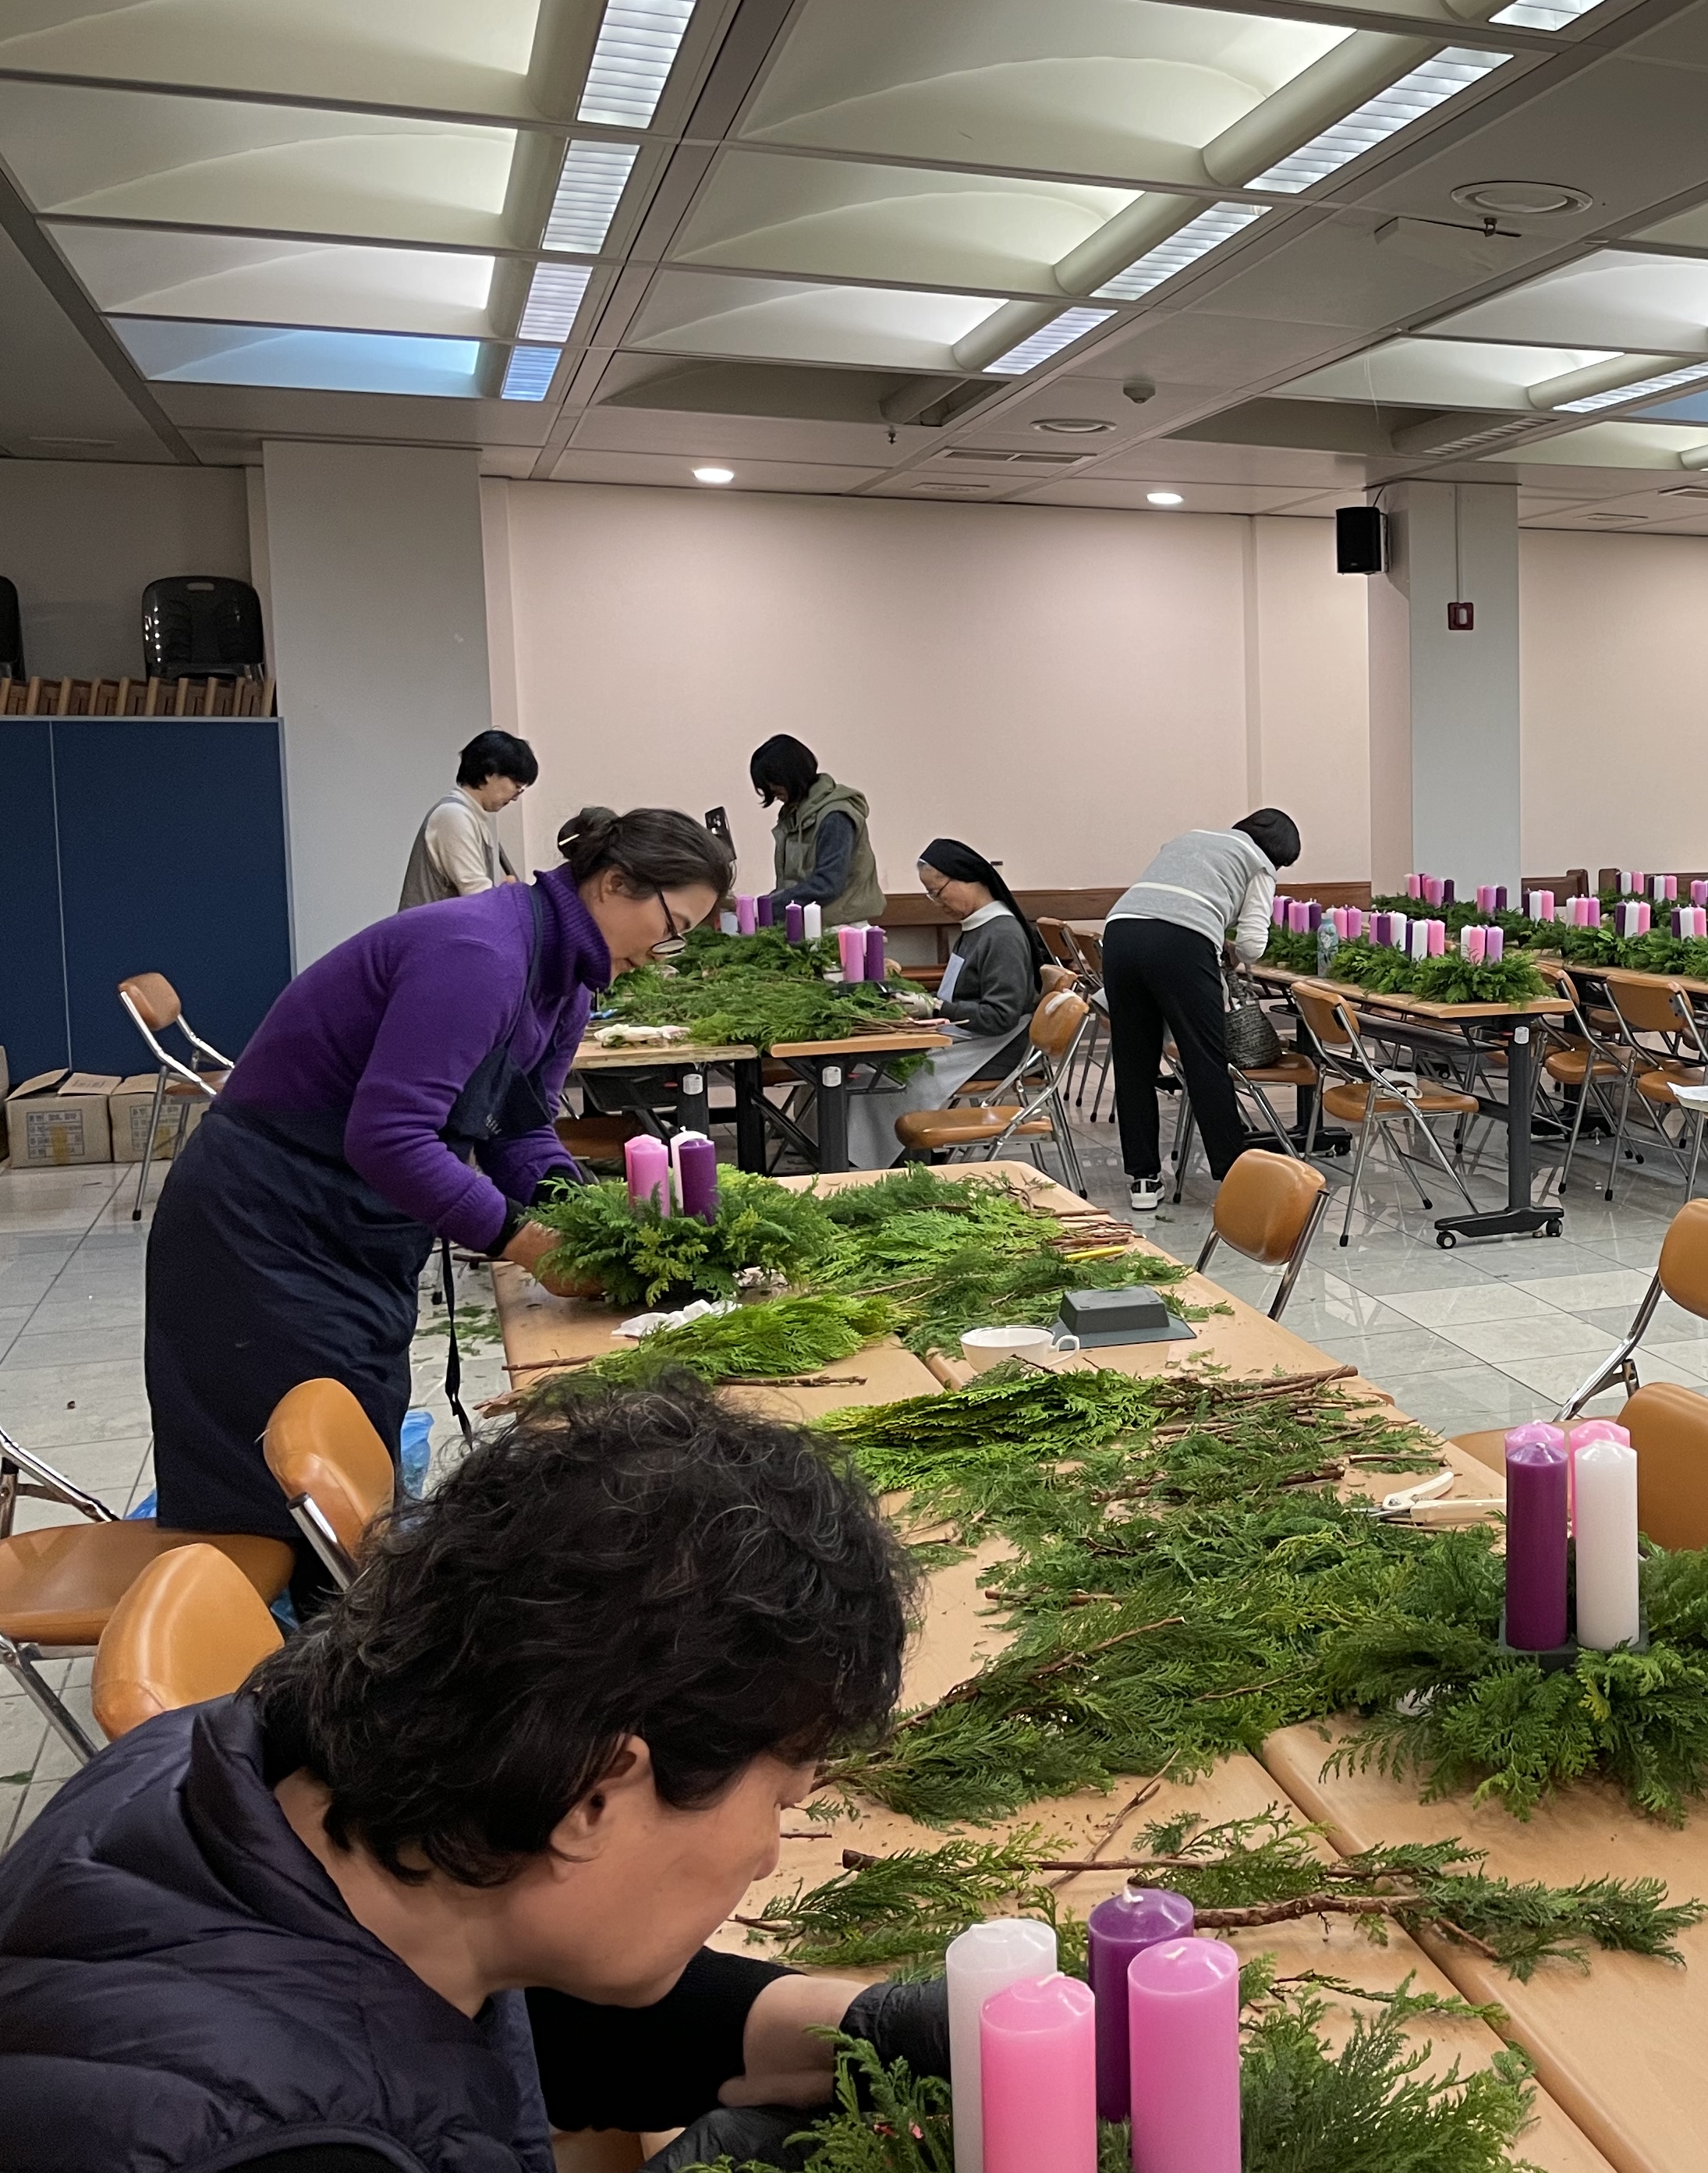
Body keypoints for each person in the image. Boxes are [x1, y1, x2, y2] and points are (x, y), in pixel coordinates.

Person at [0, 1384, 944, 2173]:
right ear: (596, 1794)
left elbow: (537, 2013)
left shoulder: (249, 1771)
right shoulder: (285, 2149)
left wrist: (855, 2033)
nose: (771, 1855)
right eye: (777, 1803)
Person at [145, 808, 733, 1578]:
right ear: (615, 883)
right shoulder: (480, 954)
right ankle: (236, 1643)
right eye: (671, 927)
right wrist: (525, 1242)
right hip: (260, 1226)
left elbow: (519, 1129)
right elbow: (389, 1138)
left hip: (354, 1224)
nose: (662, 953)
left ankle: (337, 1631)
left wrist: (590, 1222)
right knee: (280, 1495)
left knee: (356, 1452)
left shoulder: (565, 980)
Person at [1102, 809, 1298, 1212]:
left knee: (1133, 1061)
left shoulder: (1191, 837)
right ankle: (1233, 1176)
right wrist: (1227, 948)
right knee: (1205, 1060)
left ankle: (1143, 1179)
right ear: (1279, 855)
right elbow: (1252, 945)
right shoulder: (1259, 863)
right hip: (1181, 942)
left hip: (1119, 931)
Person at [845, 838, 1054, 1165]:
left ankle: (881, 1164)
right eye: (929, 894)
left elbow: (1001, 1016)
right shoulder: (977, 927)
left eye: (937, 892)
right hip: (970, 1035)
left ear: (967, 879)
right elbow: (957, 995)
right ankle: (889, 1158)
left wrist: (936, 1007)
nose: (936, 902)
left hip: (997, 1048)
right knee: (874, 1069)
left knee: (884, 1081)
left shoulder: (1002, 935)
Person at [751, 734, 882, 927]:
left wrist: (766, 907)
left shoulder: (835, 816)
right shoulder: (794, 814)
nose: (771, 789)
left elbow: (827, 884)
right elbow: (794, 882)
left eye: (774, 781)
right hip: (807, 922)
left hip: (840, 927)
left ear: (792, 774)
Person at [398, 729, 538, 910]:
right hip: (433, 928)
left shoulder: (474, 818)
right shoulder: (454, 816)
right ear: (490, 773)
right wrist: (507, 895)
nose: (516, 797)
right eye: (517, 786)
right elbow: (477, 895)